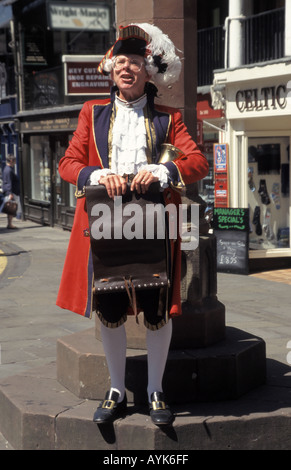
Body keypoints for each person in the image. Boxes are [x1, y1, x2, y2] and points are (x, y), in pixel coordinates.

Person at [57, 23, 209, 426]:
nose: (127, 68)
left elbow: (196, 162)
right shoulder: (92, 113)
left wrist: (160, 172)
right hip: (106, 223)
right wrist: (94, 174)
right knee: (109, 306)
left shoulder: (169, 118)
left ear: (148, 71)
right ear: (111, 69)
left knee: (158, 308)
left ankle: (156, 390)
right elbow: (67, 165)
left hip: (155, 225)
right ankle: (116, 389)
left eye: (136, 62)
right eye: (120, 61)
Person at [2, 154, 20, 229]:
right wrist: (10, 193)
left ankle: (10, 223)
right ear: (11, 161)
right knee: (11, 208)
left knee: (10, 208)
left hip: (10, 191)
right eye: (14, 161)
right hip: (12, 192)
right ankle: (10, 224)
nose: (15, 162)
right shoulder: (9, 170)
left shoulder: (6, 169)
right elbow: (8, 182)